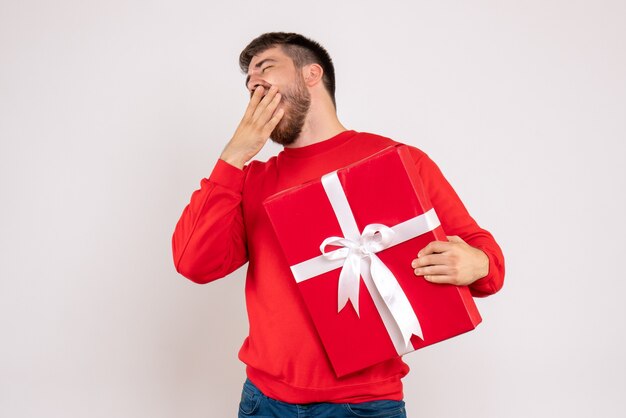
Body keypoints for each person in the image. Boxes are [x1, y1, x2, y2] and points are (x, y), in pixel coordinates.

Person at [172, 32, 504, 418]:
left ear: (312, 74)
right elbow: (194, 263)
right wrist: (234, 156)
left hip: (364, 405)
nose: (254, 84)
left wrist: (477, 263)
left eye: (266, 68)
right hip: (263, 402)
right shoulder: (250, 179)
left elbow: (488, 261)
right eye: (249, 84)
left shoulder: (398, 159)